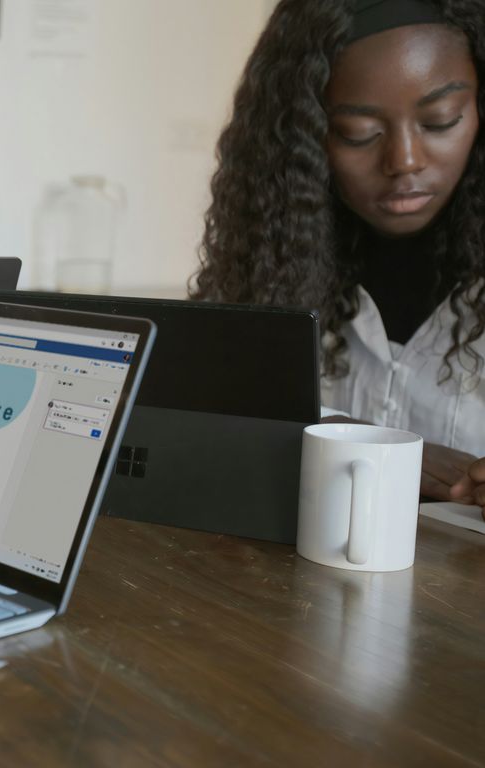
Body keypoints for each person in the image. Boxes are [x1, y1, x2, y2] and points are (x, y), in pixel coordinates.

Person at [192, 0, 485, 512]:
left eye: (440, 121)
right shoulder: (270, 272)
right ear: (302, 139)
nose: (405, 161)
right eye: (359, 134)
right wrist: (312, 434)